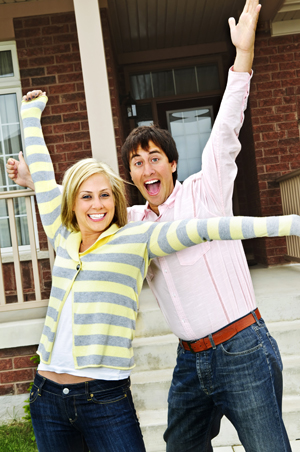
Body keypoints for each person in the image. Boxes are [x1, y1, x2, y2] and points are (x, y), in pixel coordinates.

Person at [7, 1, 292, 451]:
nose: (146, 168)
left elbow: (227, 127)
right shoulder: (133, 222)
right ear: (132, 177)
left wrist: (244, 57)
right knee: (181, 446)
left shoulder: (206, 191)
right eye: (136, 163)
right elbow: (89, 208)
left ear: (173, 164)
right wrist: (37, 179)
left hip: (241, 347)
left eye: (154, 158)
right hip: (190, 359)